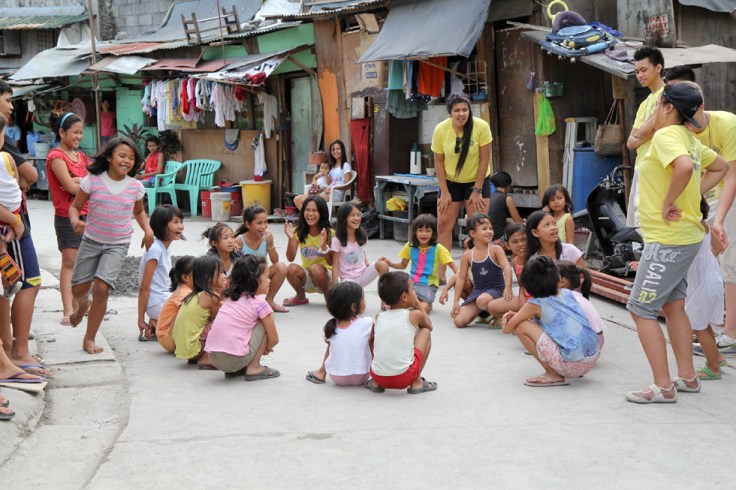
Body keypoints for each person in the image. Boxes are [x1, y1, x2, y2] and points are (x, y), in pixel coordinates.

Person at [624, 82, 729, 404]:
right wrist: (691, 195)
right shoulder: (689, 138)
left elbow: (684, 167)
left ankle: (663, 386)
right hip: (683, 237)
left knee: (641, 309)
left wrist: (670, 201)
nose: (654, 110)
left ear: (668, 107)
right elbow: (721, 167)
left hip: (667, 240)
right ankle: (688, 377)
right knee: (673, 306)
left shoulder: (667, 135)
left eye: (658, 105)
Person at [68, 137, 154, 354]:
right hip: (91, 240)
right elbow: (75, 207)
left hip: (118, 244)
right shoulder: (92, 181)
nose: (127, 161)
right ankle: (82, 305)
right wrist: (75, 221)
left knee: (101, 288)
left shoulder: (135, 187)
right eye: (122, 155)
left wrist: (148, 230)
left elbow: (138, 211)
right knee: (78, 289)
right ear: (109, 157)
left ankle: (89, 338)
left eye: (131, 158)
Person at [0, 80, 49, 378]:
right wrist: (15, 220)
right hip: (12, 226)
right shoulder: (3, 144)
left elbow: (24, 177)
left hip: (16, 221)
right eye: (7, 99)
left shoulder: (5, 145)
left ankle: (12, 351)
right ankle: (17, 351)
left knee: (16, 285)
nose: (11, 106)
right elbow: (29, 174)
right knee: (25, 282)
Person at [502, 256, 601, 387]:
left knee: (521, 326)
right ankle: (560, 370)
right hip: (592, 358)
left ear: (527, 286)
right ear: (559, 279)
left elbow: (507, 329)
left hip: (571, 366)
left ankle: (553, 374)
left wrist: (510, 319)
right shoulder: (567, 293)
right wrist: (518, 315)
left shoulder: (534, 304)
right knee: (529, 322)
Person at [432, 93, 493, 280]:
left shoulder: (481, 127)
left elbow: (484, 160)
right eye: (457, 110)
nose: (461, 114)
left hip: (477, 180)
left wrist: (477, 190)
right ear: (450, 112)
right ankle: (441, 273)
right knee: (443, 225)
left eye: (465, 110)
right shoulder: (441, 130)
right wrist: (444, 192)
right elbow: (438, 162)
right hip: (450, 181)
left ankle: (477, 272)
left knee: (478, 227)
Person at [205, 255, 281, 381]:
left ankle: (239, 367)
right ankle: (254, 367)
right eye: (267, 277)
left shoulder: (230, 298)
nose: (269, 281)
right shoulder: (259, 304)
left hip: (213, 358)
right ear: (255, 280)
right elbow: (274, 339)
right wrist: (265, 348)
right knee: (266, 320)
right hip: (233, 360)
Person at [46, 112, 90, 325]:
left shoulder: (81, 157)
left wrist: (79, 180)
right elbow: (71, 188)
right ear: (62, 132)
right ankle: (68, 309)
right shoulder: (56, 157)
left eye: (81, 132)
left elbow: (90, 182)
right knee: (69, 263)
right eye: (75, 132)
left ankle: (80, 306)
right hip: (66, 216)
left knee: (83, 263)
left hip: (87, 213)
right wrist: (82, 182)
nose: (79, 136)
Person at [366, 271, 437, 394]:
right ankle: (417, 383)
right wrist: (417, 302)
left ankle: (375, 383)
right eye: (412, 290)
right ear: (404, 297)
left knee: (377, 338)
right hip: (404, 378)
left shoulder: (379, 317)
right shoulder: (414, 315)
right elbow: (429, 326)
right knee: (425, 332)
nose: (415, 293)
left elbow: (371, 341)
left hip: (378, 376)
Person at [382, 214, 458, 314]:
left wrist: (447, 288)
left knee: (424, 308)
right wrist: (390, 263)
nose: (424, 234)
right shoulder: (410, 246)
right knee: (396, 296)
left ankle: (419, 306)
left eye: (428, 231)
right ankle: (408, 307)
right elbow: (403, 265)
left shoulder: (439, 249)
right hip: (411, 282)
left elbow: (456, 269)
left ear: (433, 233)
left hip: (428, 284)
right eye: (420, 230)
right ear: (415, 232)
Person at [626, 47, 666, 228]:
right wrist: (649, 130)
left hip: (658, 166)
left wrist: (643, 133)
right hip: (641, 166)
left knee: (652, 221)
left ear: (658, 68)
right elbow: (630, 142)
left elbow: (660, 128)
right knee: (638, 222)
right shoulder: (645, 103)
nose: (640, 75)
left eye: (644, 70)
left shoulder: (667, 94)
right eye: (637, 72)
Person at [451, 214, 513, 328]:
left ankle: (500, 314)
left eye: (490, 228)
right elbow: (461, 278)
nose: (489, 231)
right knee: (458, 321)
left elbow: (507, 268)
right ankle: (487, 315)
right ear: (473, 233)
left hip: (497, 291)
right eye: (484, 229)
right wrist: (455, 302)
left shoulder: (496, 249)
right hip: (478, 292)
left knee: (482, 300)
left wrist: (508, 288)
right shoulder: (467, 255)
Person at [687, 199, 726, 380]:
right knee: (703, 324)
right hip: (713, 280)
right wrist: (705, 261)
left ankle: (713, 368)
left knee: (699, 326)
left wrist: (697, 265)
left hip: (702, 285)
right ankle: (717, 357)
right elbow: (718, 247)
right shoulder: (703, 225)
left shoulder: (688, 230)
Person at [306, 281, 373, 386]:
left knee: (331, 344)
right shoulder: (368, 323)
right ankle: (376, 378)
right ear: (353, 307)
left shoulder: (329, 326)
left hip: (337, 377)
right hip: (362, 375)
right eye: (363, 299)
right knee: (372, 341)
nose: (365, 301)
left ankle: (321, 372)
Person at [138, 204, 184, 341]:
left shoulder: (165, 248)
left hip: (163, 298)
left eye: (181, 222)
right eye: (176, 222)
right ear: (162, 225)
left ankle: (157, 322)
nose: (181, 226)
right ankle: (159, 323)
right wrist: (140, 319)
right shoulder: (155, 250)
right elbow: (144, 287)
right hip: (156, 302)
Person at [172, 255, 226, 368]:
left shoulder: (194, 295)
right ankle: (207, 357)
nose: (225, 276)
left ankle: (199, 356)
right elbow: (216, 321)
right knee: (226, 319)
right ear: (208, 277)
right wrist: (222, 293)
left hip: (185, 349)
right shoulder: (212, 296)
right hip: (195, 348)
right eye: (221, 272)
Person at [234, 205, 288, 313]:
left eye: (265, 222)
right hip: (244, 279)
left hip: (261, 277)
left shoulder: (266, 238)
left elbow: (275, 261)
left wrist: (271, 244)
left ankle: (269, 301)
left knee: (281, 267)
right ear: (248, 224)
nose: (263, 226)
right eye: (259, 223)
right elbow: (234, 268)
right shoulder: (239, 240)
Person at [283, 195, 334, 306]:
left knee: (315, 268)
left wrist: (324, 246)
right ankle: (300, 296)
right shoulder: (299, 231)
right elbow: (290, 258)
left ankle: (329, 297)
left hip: (327, 279)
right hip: (308, 277)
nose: (310, 214)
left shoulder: (329, 232)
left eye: (314, 211)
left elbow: (332, 262)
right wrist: (291, 238)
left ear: (322, 213)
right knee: (290, 268)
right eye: (307, 210)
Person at [331, 203, 389, 286]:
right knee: (353, 290)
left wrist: (367, 263)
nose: (356, 218)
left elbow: (361, 250)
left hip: (363, 274)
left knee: (383, 264)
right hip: (348, 280)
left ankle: (384, 294)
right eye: (352, 215)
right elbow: (335, 266)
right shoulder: (337, 240)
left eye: (358, 215)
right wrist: (335, 286)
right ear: (343, 218)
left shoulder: (362, 234)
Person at [0, 116, 24, 298]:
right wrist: (15, 220)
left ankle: (10, 281)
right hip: (13, 210)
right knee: (3, 245)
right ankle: (10, 282)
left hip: (7, 213)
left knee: (2, 247)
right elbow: (16, 182)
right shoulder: (7, 157)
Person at [557, 260, 606, 344]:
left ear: (562, 282)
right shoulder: (577, 296)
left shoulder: (566, 298)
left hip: (586, 345)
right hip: (597, 342)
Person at [294, 140, 353, 210]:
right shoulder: (331, 166)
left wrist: (333, 188)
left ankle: (311, 214)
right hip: (324, 191)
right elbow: (328, 182)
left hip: (335, 194)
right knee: (296, 199)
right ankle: (306, 215)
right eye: (333, 149)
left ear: (342, 150)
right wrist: (316, 182)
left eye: (338, 149)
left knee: (311, 201)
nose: (335, 151)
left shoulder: (345, 165)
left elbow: (348, 185)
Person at [156, 255, 194, 353]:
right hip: (168, 337)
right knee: (189, 309)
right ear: (185, 277)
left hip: (169, 335)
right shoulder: (183, 293)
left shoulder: (187, 291)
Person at [488, 171, 524, 243]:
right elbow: (518, 221)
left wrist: (509, 220)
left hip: (489, 238)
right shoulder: (507, 198)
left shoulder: (489, 197)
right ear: (508, 185)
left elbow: (495, 216)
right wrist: (525, 222)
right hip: (499, 238)